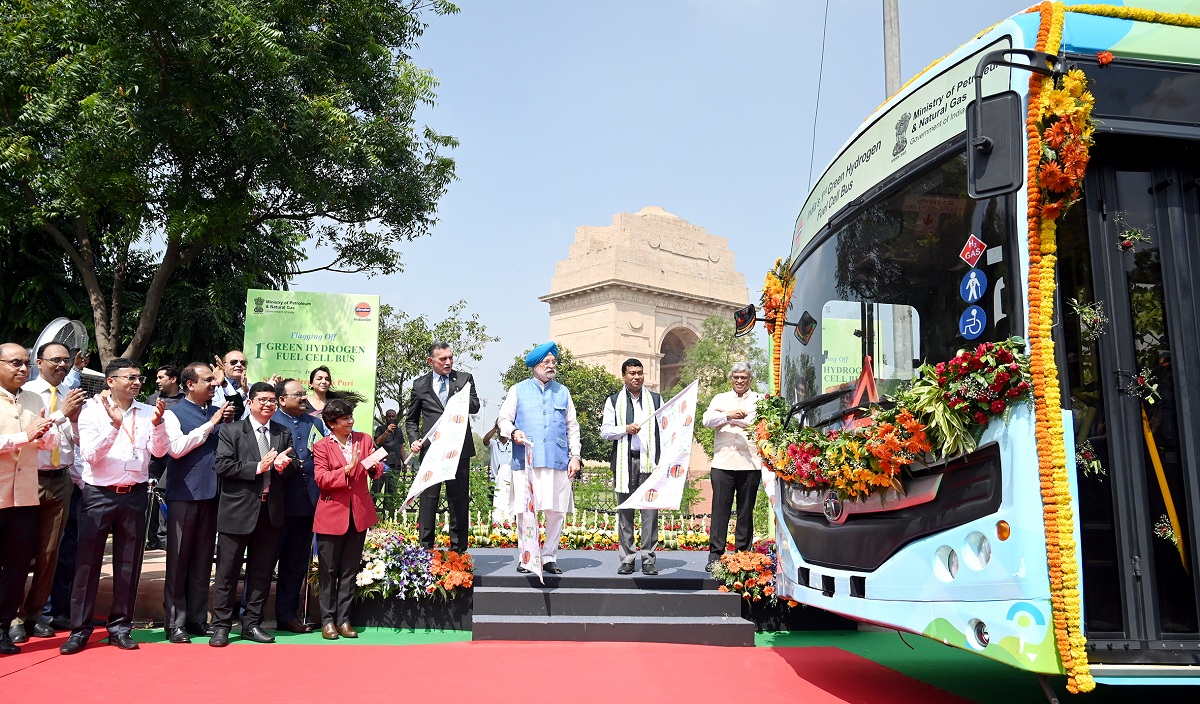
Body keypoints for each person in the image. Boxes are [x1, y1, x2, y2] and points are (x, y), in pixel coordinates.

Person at [60, 358, 170, 655]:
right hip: (99, 493)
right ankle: (79, 630)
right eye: (130, 377)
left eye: (139, 378)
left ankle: (120, 627)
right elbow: (92, 456)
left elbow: (160, 452)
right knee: (87, 563)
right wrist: (115, 426)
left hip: (135, 493)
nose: (136, 382)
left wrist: (158, 426)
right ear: (111, 381)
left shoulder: (148, 412)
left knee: (129, 563)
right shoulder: (91, 411)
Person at [209, 382, 296, 647]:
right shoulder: (232, 430)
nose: (268, 404)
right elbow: (222, 465)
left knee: (261, 572)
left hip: (270, 512)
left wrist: (283, 467)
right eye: (262, 400)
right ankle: (222, 625)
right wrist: (258, 467)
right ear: (250, 402)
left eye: (272, 400)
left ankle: (252, 624)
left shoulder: (283, 432)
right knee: (227, 571)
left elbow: (293, 471)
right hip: (237, 511)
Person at [10, 343, 84, 644]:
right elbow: (32, 435)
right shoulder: (25, 395)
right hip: (27, 477)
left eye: (67, 361)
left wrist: (75, 420)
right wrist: (62, 414)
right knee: (18, 551)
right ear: (39, 362)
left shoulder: (70, 397)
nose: (62, 365)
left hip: (61, 479)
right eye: (56, 360)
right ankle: (12, 615)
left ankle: (34, 614)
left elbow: (77, 441)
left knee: (49, 551)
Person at [160, 362, 233, 643]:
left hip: (213, 495)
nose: (213, 385)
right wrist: (211, 424)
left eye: (215, 382)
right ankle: (174, 622)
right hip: (184, 494)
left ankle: (197, 619)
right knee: (179, 560)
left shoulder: (217, 412)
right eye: (208, 381)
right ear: (190, 384)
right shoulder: (173, 413)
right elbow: (176, 449)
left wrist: (218, 419)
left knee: (203, 560)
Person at [497, 342, 580, 574]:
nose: (551, 365)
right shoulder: (518, 390)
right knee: (525, 511)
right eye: (546, 362)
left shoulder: (563, 391)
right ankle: (527, 557)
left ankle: (549, 557)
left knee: (556, 511)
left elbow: (572, 427)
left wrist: (576, 457)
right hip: (527, 461)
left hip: (557, 460)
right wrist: (513, 432)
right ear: (535, 366)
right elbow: (503, 419)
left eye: (554, 362)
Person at [0, 343, 56, 656]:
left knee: (18, 567)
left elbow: (49, 441)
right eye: (15, 363)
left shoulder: (35, 399)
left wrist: (47, 434)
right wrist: (27, 436)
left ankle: (3, 627)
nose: (23, 369)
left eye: (26, 364)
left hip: (23, 497)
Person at [312, 399, 381, 639]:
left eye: (351, 417)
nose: (350, 421)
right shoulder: (322, 446)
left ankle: (344, 619)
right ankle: (327, 620)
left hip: (358, 513)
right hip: (331, 514)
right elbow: (321, 479)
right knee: (328, 570)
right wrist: (346, 470)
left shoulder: (364, 439)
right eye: (344, 419)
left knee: (350, 570)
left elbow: (376, 468)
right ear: (331, 424)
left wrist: (374, 467)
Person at [405, 342, 480, 552]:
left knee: (458, 499)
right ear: (431, 361)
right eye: (442, 359)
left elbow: (475, 406)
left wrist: (461, 398)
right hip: (432, 451)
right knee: (429, 499)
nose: (448, 362)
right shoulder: (420, 384)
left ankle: (458, 550)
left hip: (459, 450)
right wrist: (414, 439)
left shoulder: (464, 379)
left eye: (450, 358)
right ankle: (425, 550)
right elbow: (411, 420)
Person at [272, 378, 328, 634]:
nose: (305, 398)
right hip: (277, 505)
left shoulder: (315, 423)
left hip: (306, 504)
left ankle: (288, 616)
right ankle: (249, 618)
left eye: (305, 394)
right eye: (298, 395)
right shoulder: (271, 422)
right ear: (282, 399)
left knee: (296, 564)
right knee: (265, 563)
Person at [601, 358, 663, 576]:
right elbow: (605, 431)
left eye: (640, 373)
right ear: (624, 376)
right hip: (624, 461)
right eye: (632, 373)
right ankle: (627, 559)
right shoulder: (613, 400)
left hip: (649, 461)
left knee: (649, 512)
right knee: (625, 512)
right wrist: (625, 429)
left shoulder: (655, 399)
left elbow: (663, 430)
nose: (637, 377)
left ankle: (648, 559)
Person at [701, 362, 763, 571]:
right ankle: (715, 555)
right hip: (723, 462)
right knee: (720, 510)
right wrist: (728, 414)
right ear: (731, 379)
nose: (739, 381)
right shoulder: (720, 398)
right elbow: (707, 420)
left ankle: (743, 555)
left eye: (743, 377)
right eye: (736, 377)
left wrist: (731, 418)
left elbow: (757, 423)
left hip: (750, 462)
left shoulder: (759, 400)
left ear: (750, 379)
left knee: (746, 511)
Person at [145, 364, 185, 551]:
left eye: (162, 377)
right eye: (157, 377)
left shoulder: (184, 400)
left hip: (173, 455)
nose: (158, 381)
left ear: (174, 379)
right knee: (151, 496)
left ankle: (164, 535)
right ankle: (151, 537)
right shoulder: (152, 399)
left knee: (165, 494)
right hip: (153, 455)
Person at [481, 420, 513, 522]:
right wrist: (495, 428)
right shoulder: (494, 444)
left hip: (508, 481)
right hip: (494, 480)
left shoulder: (512, 445)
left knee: (508, 506)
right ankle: (491, 524)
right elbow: (485, 440)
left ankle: (508, 525)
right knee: (492, 506)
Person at [372, 408, 406, 494]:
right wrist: (387, 431)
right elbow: (377, 442)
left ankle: (388, 508)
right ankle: (373, 507)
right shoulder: (380, 429)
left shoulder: (399, 431)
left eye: (393, 416)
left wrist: (404, 462)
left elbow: (401, 447)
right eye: (389, 417)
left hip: (396, 465)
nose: (391, 418)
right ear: (385, 418)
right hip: (383, 464)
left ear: (396, 417)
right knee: (376, 489)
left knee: (391, 491)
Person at [211, 350, 248, 419]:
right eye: (233, 362)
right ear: (223, 366)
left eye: (243, 363)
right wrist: (242, 392)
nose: (239, 365)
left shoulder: (252, 388)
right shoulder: (215, 387)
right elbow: (215, 407)